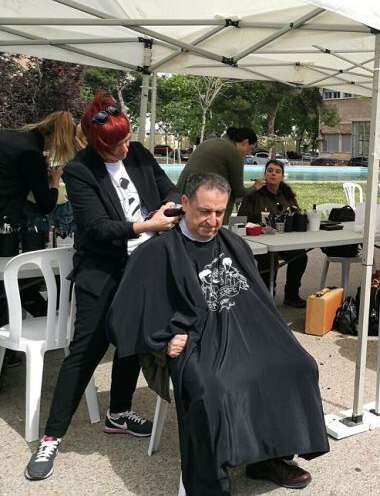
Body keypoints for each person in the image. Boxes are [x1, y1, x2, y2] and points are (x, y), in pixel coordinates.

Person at [107, 173, 329, 494]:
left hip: (246, 334)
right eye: (204, 211)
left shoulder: (233, 243)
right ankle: (211, 479)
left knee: (296, 366)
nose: (212, 221)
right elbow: (122, 317)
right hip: (197, 344)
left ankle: (268, 457)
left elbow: (257, 301)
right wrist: (163, 338)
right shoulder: (157, 252)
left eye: (219, 212)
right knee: (212, 387)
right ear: (184, 203)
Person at [25, 92, 181, 482]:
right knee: (85, 352)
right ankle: (52, 436)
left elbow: (170, 188)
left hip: (142, 267)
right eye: (115, 146)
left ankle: (118, 413)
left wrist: (172, 208)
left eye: (126, 140)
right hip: (102, 271)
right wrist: (146, 225)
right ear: (95, 143)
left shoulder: (140, 154)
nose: (123, 149)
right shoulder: (81, 171)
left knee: (131, 340)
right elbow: (96, 228)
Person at [0, 111, 78, 378]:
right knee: (8, 285)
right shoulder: (30, 154)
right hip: (5, 223)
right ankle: (7, 354)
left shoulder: (10, 136)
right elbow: (45, 204)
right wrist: (54, 180)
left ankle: (9, 352)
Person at [237, 160, 307, 307]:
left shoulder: (287, 195)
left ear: (282, 176)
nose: (273, 174)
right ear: (264, 174)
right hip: (260, 240)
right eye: (270, 170)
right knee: (268, 258)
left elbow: (295, 213)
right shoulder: (254, 195)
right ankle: (267, 295)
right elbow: (240, 219)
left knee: (301, 256)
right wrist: (251, 191)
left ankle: (291, 295)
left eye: (277, 171)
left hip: (284, 240)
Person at [177, 126, 257, 224]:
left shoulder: (210, 142)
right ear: (245, 142)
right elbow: (239, 192)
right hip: (202, 198)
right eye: (250, 148)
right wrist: (256, 186)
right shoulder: (234, 152)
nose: (249, 153)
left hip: (183, 193)